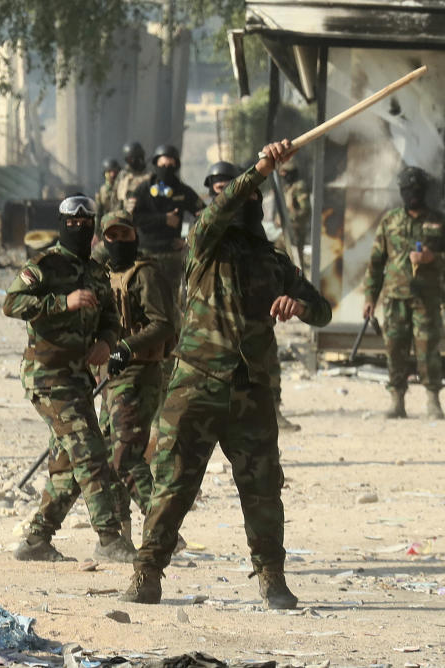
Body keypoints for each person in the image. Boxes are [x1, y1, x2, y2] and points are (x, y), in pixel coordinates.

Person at [119, 140, 333, 609]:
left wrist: (300, 306)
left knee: (262, 489)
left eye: (249, 195)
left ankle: (272, 578)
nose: (240, 202)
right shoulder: (203, 244)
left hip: (250, 391)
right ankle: (146, 574)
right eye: (234, 192)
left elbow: (323, 311)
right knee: (173, 486)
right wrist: (259, 169)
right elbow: (218, 209)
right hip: (195, 384)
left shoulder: (273, 261)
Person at [3, 195, 137, 563]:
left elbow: (111, 318)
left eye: (86, 222)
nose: (80, 227)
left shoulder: (96, 272)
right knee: (90, 450)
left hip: (78, 377)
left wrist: (106, 343)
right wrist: (63, 302)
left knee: (68, 463)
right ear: (63, 224)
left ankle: (36, 539)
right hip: (46, 376)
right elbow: (11, 303)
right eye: (72, 222)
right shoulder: (45, 265)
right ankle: (109, 538)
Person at [204, 160, 301, 432]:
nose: (225, 193)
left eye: (229, 186)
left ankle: (273, 409)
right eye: (219, 187)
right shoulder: (209, 223)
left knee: (265, 357)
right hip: (219, 315)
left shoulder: (252, 222)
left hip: (255, 308)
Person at [96, 210, 175, 541]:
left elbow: (163, 324)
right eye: (111, 237)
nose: (118, 242)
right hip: (108, 376)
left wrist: (126, 347)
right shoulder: (103, 274)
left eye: (124, 236)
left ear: (135, 237)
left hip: (139, 373)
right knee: (105, 455)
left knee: (126, 455)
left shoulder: (145, 275)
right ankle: (120, 534)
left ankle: (162, 526)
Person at [363, 166, 445, 419]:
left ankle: (432, 401)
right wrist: (370, 298)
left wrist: (433, 258)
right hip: (395, 298)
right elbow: (376, 262)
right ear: (402, 192)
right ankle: (397, 400)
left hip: (427, 299)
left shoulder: (440, 221)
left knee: (428, 349)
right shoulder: (390, 220)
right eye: (408, 190)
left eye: (417, 190)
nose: (413, 195)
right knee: (395, 348)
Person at [129, 144, 205, 310]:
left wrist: (188, 240)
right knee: (145, 300)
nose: (166, 169)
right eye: (163, 166)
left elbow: (204, 216)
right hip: (145, 253)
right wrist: (163, 219)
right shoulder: (143, 189)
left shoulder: (183, 190)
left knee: (170, 303)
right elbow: (132, 217)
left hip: (171, 255)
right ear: (156, 165)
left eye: (170, 166)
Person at [276, 159, 311, 255]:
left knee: (295, 259)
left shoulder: (299, 187)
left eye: (285, 173)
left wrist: (289, 218)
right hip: (288, 230)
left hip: (296, 230)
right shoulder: (289, 188)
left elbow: (305, 210)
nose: (283, 177)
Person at [113, 142, 150, 211]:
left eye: (136, 158)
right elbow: (114, 199)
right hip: (124, 215)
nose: (133, 161)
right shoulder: (122, 175)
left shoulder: (149, 177)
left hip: (143, 216)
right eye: (130, 159)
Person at [94, 157, 121, 232]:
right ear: (105, 173)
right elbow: (98, 213)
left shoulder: (122, 188)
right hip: (107, 225)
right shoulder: (101, 191)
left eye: (115, 172)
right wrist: (96, 232)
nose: (113, 174)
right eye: (109, 172)